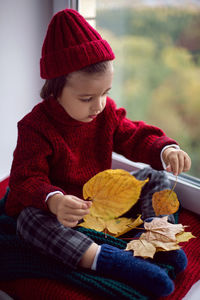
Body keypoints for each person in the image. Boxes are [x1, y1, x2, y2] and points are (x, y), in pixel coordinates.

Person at [5, 8, 191, 297]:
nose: (99, 105)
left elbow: (134, 135)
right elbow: (24, 179)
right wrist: (54, 201)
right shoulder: (36, 127)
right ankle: (110, 260)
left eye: (105, 92)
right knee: (28, 221)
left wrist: (165, 148)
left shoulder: (104, 115)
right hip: (63, 213)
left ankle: (158, 238)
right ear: (55, 89)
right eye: (87, 98)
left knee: (156, 177)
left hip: (101, 202)